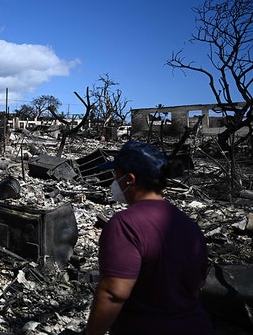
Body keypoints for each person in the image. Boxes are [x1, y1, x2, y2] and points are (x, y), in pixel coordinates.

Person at [84, 141, 211, 334]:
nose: (114, 183)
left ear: (129, 180)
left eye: (116, 176)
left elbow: (112, 293)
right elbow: (196, 286)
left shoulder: (125, 225)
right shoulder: (188, 225)